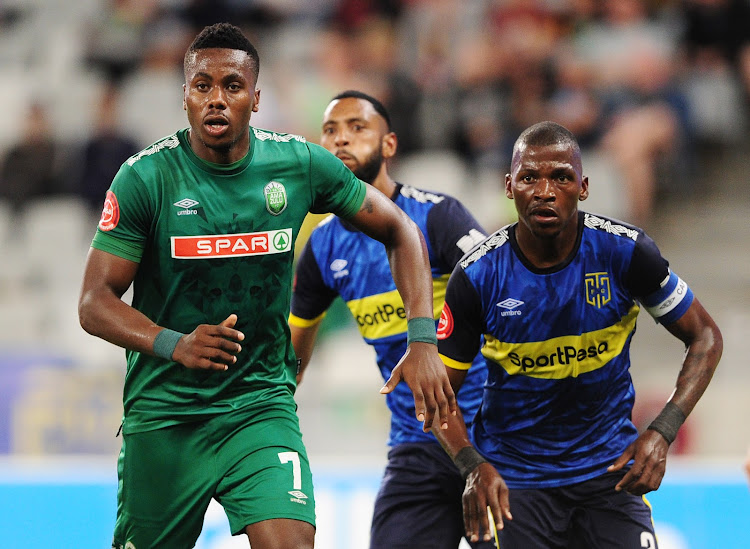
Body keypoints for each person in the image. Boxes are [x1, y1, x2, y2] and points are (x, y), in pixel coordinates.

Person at [77, 23, 457, 549]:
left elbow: (401, 229)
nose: (216, 99)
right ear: (183, 96)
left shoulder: (297, 165)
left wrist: (421, 338)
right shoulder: (145, 179)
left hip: (259, 404)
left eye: (231, 86)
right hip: (166, 413)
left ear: (255, 99)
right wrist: (175, 344)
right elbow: (94, 302)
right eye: (202, 85)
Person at [432, 120, 723, 547]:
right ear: (509, 187)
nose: (545, 191)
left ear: (583, 187)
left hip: (609, 478)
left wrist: (662, 430)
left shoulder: (625, 253)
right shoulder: (477, 276)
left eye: (561, 177)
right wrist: (472, 465)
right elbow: (438, 396)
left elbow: (706, 337)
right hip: (515, 484)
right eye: (530, 177)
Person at [289, 90, 493, 549]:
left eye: (357, 128)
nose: (341, 140)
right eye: (330, 131)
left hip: (493, 435)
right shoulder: (322, 247)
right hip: (416, 445)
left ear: (389, 145)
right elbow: (290, 357)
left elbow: (506, 292)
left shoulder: (438, 216)